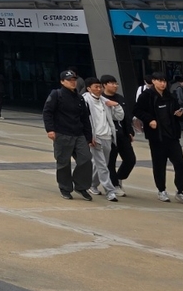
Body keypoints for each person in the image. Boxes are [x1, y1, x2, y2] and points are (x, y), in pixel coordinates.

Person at [133, 72, 183, 205]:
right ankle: (161, 190)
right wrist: (149, 120)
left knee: (180, 164)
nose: (163, 84)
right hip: (157, 137)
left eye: (164, 81)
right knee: (159, 165)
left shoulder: (170, 96)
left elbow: (179, 113)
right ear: (153, 81)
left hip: (172, 136)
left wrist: (180, 115)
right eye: (160, 81)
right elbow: (136, 110)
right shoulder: (147, 96)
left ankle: (180, 191)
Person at [42, 69, 95, 200]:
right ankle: (65, 188)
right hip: (62, 133)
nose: (72, 82)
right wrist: (50, 130)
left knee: (86, 159)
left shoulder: (79, 98)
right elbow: (47, 112)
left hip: (78, 134)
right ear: (62, 81)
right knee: (63, 162)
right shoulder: (56, 94)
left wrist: (88, 137)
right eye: (69, 80)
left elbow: (85, 118)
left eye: (74, 80)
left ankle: (81, 186)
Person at [81, 77, 121, 200]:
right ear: (89, 88)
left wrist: (116, 105)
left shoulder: (105, 101)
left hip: (107, 136)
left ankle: (92, 185)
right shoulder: (85, 101)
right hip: (95, 137)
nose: (99, 90)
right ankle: (110, 190)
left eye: (100, 87)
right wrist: (90, 137)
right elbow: (85, 120)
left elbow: (119, 116)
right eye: (96, 87)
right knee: (102, 165)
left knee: (101, 164)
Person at [102, 75, 135, 194]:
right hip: (108, 135)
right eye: (112, 83)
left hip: (122, 134)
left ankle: (119, 177)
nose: (115, 86)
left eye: (116, 84)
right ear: (104, 85)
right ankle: (114, 185)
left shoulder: (120, 98)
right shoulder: (101, 99)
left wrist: (130, 131)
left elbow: (126, 117)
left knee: (130, 159)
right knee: (111, 161)